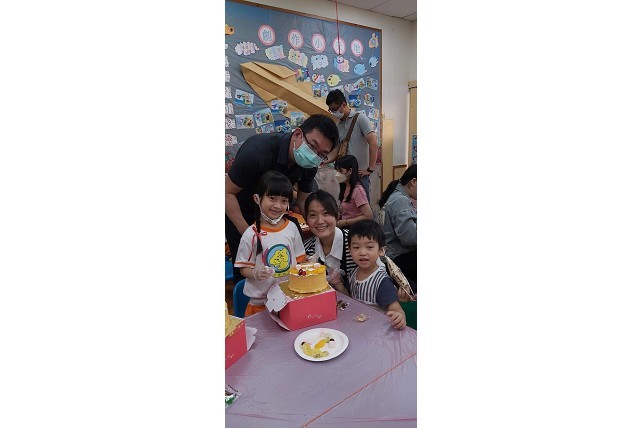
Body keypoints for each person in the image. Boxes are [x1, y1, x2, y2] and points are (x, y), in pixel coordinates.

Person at [225, 114, 339, 284]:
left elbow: (303, 201)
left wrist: (320, 225)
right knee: (248, 270)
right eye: (312, 146)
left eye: (322, 154)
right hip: (240, 211)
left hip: (276, 215)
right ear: (297, 134)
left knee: (282, 265)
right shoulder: (256, 152)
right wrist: (249, 234)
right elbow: (227, 193)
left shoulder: (310, 164)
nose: (314, 156)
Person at [234, 171, 307, 316]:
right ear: (257, 198)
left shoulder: (291, 227)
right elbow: (243, 269)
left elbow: (300, 260)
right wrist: (255, 273)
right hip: (260, 304)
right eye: (272, 198)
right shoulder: (251, 234)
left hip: (288, 299)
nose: (277, 206)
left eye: (284, 201)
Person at [347, 220, 406, 330]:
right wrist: (338, 283)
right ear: (350, 250)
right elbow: (348, 299)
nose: (362, 252)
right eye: (356, 247)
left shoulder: (382, 281)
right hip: (357, 327)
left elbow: (396, 309)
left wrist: (399, 316)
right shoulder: (352, 274)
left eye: (369, 247)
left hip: (377, 330)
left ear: (381, 250)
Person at [325, 89, 378, 200]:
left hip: (360, 175)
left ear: (344, 104)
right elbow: (337, 150)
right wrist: (323, 161)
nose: (333, 112)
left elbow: (373, 143)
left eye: (335, 109)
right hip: (343, 176)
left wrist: (370, 169)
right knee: (345, 204)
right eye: (331, 110)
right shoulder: (338, 125)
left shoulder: (360, 119)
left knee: (363, 205)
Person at [303, 190, 356, 291]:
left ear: (337, 215)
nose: (320, 221)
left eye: (326, 213)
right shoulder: (306, 250)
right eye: (313, 215)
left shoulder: (355, 243)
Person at [377, 164, 417, 287]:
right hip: (397, 259)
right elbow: (410, 238)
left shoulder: (395, 197)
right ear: (414, 182)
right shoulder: (401, 201)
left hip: (391, 257)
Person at [334, 155, 373, 229]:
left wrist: (344, 222)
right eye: (337, 171)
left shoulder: (357, 190)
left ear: (350, 171)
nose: (337, 174)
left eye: (340, 171)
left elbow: (368, 216)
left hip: (355, 228)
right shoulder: (345, 187)